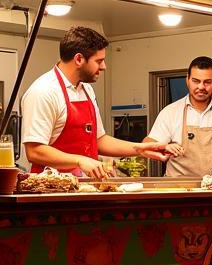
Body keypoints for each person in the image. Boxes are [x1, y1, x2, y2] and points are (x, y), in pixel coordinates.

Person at [21, 26, 165, 178]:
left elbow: (98, 140)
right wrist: (79, 160)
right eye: (99, 61)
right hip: (53, 191)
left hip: (84, 188)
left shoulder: (86, 89)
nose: (103, 67)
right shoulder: (44, 91)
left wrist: (139, 149)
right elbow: (34, 151)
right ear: (79, 59)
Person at [145, 56, 212, 178]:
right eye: (196, 81)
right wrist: (164, 147)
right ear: (187, 80)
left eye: (207, 82)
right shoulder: (170, 112)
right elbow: (146, 145)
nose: (201, 87)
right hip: (177, 188)